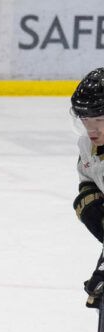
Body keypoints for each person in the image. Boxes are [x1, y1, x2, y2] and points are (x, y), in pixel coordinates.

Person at [71, 68, 104, 307]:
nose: (92, 129)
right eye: (85, 119)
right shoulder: (88, 144)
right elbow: (88, 179)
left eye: (100, 120)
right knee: (88, 204)